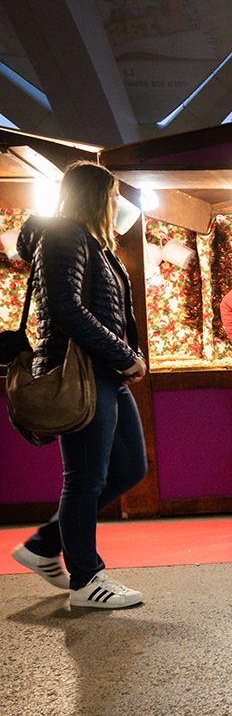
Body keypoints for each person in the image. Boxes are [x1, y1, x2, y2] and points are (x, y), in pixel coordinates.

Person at [9, 161, 149, 609]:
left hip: (105, 373)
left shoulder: (91, 241)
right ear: (96, 196)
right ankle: (86, 580)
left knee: (130, 469)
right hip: (83, 373)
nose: (117, 206)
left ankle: (47, 543)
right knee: (85, 479)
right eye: (111, 197)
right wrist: (124, 355)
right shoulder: (65, 234)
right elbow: (67, 309)